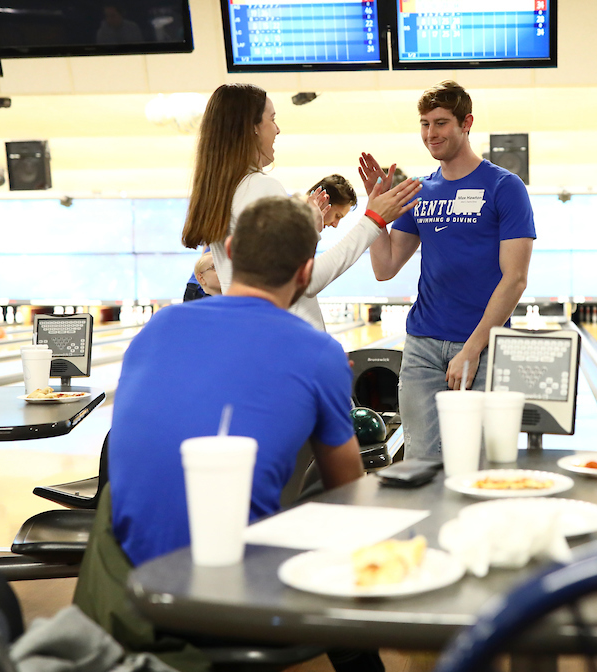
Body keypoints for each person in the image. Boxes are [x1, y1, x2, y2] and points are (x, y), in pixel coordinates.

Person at [96, 197, 381, 672]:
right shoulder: (319, 352)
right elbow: (348, 491)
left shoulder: (158, 327)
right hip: (229, 592)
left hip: (123, 582)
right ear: (305, 270)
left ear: (229, 248)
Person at [367, 81, 535, 459]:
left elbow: (516, 278)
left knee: (474, 464)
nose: (431, 133)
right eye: (425, 124)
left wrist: (472, 349)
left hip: (483, 345)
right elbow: (386, 267)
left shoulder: (504, 187)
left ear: (466, 122)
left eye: (441, 123)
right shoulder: (420, 190)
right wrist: (376, 213)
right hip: (422, 346)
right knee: (419, 462)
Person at [180, 84, 420, 332]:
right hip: (284, 338)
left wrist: (311, 235)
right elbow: (304, 282)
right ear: (252, 128)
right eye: (272, 119)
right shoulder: (259, 187)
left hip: (248, 332)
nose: (278, 129)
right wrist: (372, 220)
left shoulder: (223, 191)